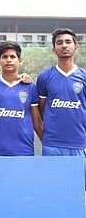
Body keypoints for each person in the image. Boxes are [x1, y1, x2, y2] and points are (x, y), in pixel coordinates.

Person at [0, 41, 43, 156]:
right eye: (4, 57)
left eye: (12, 57)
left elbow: (37, 122)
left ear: (20, 60)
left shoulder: (30, 87)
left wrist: (46, 143)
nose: (8, 60)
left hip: (24, 151)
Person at [36, 28, 86, 156]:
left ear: (76, 47)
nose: (64, 45)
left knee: (78, 177)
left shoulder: (84, 76)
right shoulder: (44, 77)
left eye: (68, 42)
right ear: (54, 49)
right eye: (59, 42)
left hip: (80, 144)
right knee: (52, 177)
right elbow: (41, 110)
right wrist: (47, 138)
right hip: (52, 145)